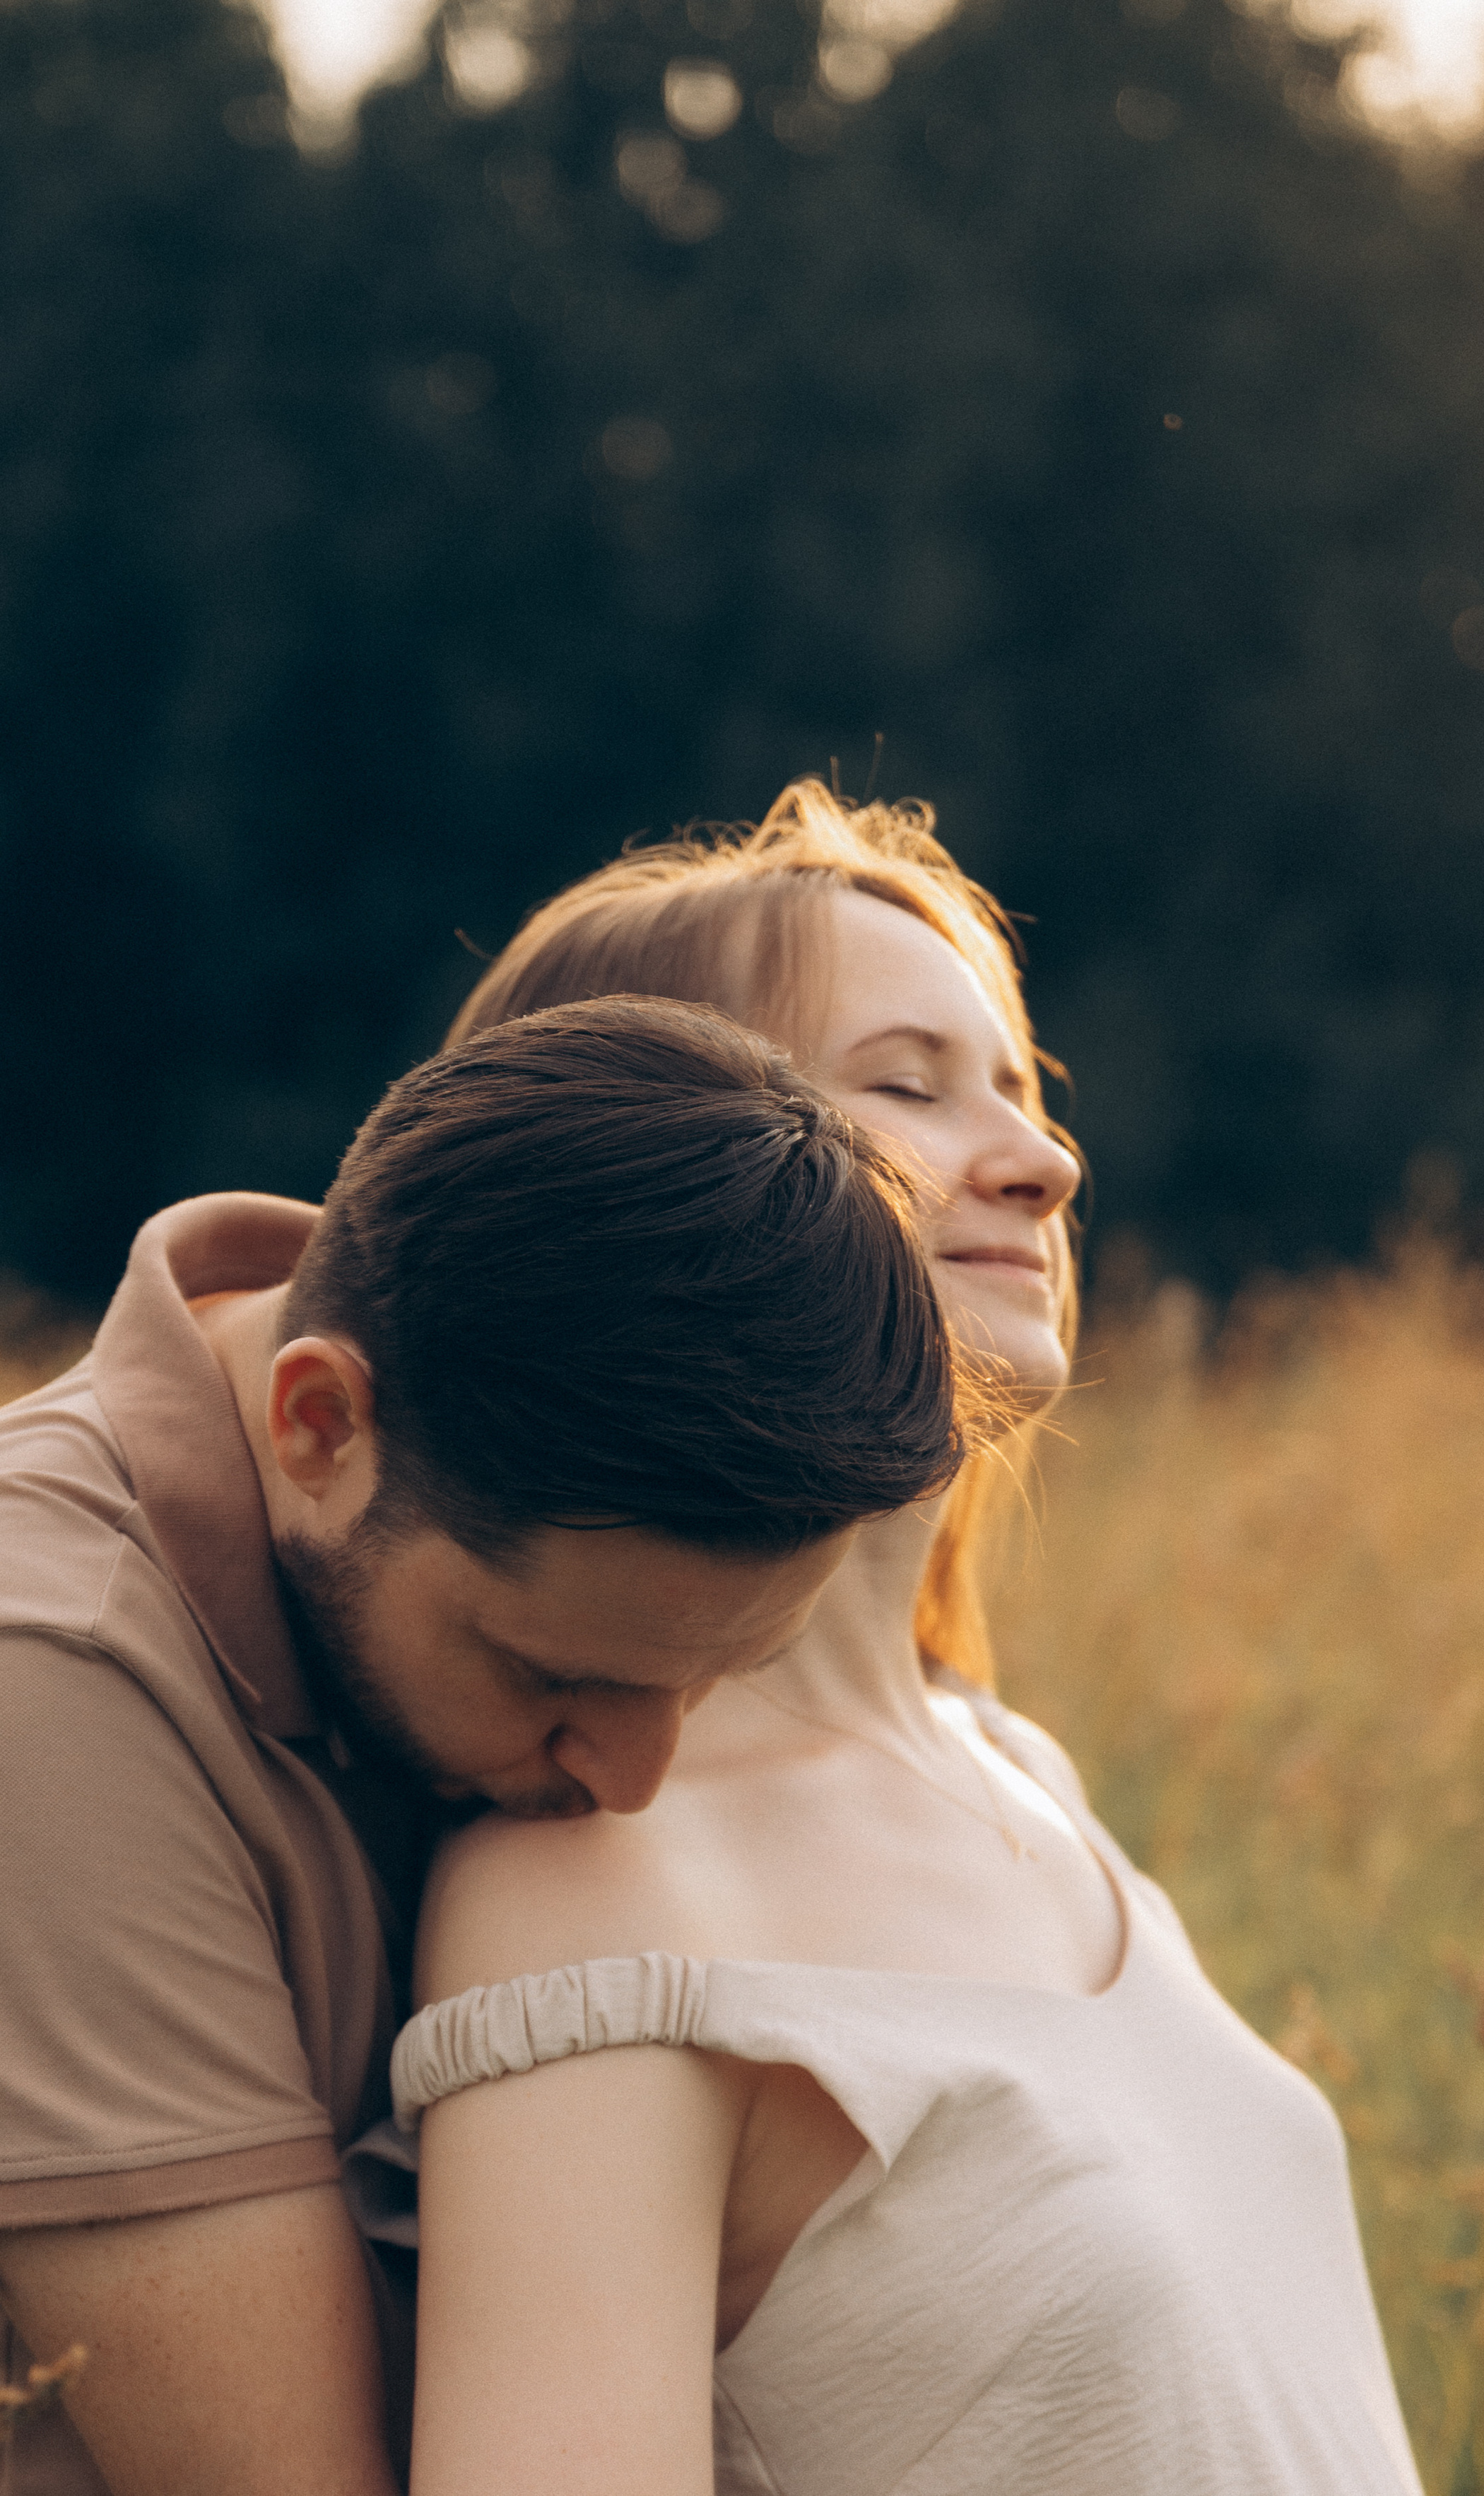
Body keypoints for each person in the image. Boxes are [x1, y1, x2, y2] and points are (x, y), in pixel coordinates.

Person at [396, 782, 1425, 2493]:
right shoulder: (596, 1889)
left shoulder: (1014, 1767)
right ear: (660, 1179)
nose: (1043, 1156)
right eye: (904, 1084)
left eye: (1016, 1086)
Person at [0, 994, 962, 2496]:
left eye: (725, 1675)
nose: (632, 1783)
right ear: (318, 1423)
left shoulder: (521, 1391)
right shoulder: (41, 1687)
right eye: (557, 1676)